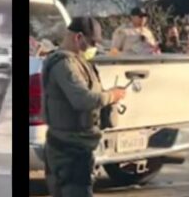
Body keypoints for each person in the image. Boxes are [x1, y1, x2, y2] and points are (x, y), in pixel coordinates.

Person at [43, 17, 127, 197]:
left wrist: (105, 96)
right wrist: (112, 95)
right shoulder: (64, 64)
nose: (93, 48)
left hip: (78, 146)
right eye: (91, 43)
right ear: (78, 37)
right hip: (69, 150)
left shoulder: (78, 61)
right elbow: (82, 100)